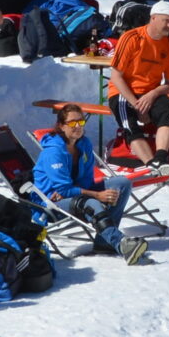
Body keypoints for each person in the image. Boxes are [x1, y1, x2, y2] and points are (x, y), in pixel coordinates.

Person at [33, 101, 140, 260]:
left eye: (81, 121)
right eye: (72, 123)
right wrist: (95, 195)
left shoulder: (84, 144)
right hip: (49, 203)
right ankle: (120, 243)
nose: (78, 126)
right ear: (61, 126)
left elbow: (86, 181)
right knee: (91, 203)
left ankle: (104, 243)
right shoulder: (53, 152)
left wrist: (73, 191)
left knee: (122, 183)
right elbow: (63, 190)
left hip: (70, 194)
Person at [106, 1, 169, 165]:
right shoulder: (131, 38)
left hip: (149, 92)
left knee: (168, 114)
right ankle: (150, 163)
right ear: (153, 18)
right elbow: (116, 77)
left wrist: (153, 94)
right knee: (129, 125)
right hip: (124, 91)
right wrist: (137, 105)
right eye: (166, 21)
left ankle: (160, 158)